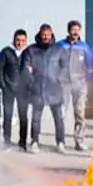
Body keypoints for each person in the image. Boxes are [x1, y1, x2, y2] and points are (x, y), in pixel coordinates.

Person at [23, 24, 67, 154]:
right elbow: (26, 67)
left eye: (48, 34)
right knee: (36, 118)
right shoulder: (31, 50)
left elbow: (64, 67)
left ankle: (60, 142)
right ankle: (34, 141)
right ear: (39, 34)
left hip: (55, 89)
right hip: (38, 89)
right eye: (43, 34)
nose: (45, 37)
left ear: (52, 34)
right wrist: (31, 81)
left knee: (58, 118)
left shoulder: (59, 49)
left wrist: (59, 79)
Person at [58, 20, 93, 152]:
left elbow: (90, 65)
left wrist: (87, 82)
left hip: (80, 85)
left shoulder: (84, 47)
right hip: (64, 85)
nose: (75, 32)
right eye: (73, 30)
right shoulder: (61, 45)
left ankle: (79, 141)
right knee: (61, 114)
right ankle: (60, 141)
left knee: (80, 114)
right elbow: (53, 62)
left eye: (77, 30)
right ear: (69, 31)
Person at [0, 29, 29, 151]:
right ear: (14, 39)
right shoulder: (6, 52)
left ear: (25, 41)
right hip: (9, 89)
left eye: (22, 40)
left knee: (23, 116)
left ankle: (22, 143)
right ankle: (7, 141)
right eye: (17, 40)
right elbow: (0, 69)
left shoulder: (28, 52)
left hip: (23, 90)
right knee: (7, 115)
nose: (20, 43)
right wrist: (3, 85)